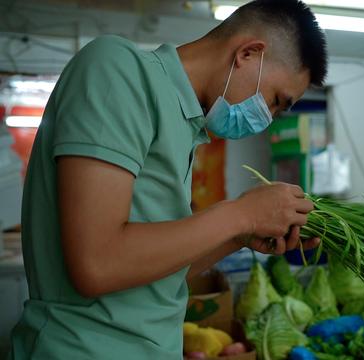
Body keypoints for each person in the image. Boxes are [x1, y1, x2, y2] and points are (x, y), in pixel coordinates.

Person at [9, 0, 327, 359]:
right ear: (248, 53)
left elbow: (149, 267)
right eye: (274, 101)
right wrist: (241, 214)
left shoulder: (187, 126)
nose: (267, 118)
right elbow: (97, 264)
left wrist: (240, 235)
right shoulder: (117, 69)